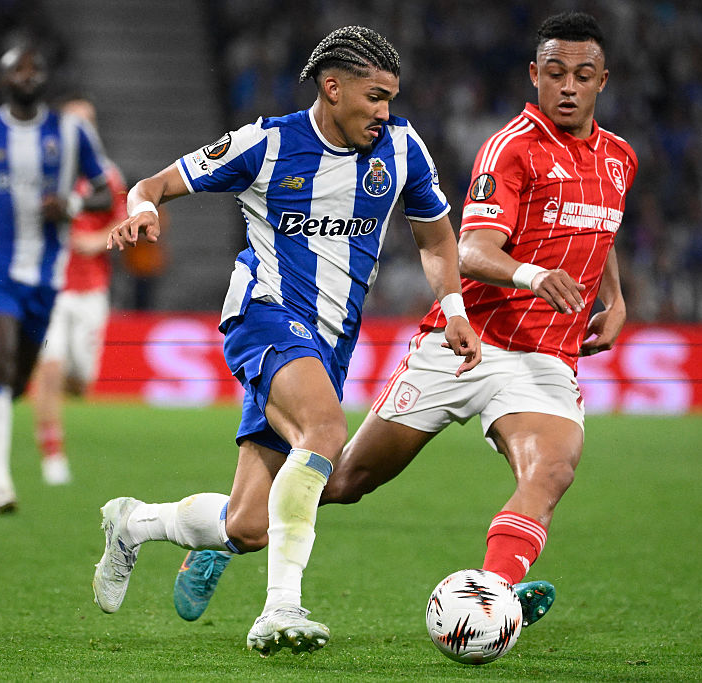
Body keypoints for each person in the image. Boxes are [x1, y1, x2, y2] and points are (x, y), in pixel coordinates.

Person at [174, 10, 636, 635]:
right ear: (535, 75)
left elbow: (597, 230)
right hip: (467, 340)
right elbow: (469, 247)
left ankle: (493, 593)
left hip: (546, 358)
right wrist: (529, 277)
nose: (569, 86)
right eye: (556, 73)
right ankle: (226, 534)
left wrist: (616, 296)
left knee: (550, 471)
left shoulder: (618, 159)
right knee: (338, 479)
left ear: (603, 80)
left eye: (583, 75)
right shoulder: (513, 148)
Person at [90, 25, 481, 657]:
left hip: (329, 342)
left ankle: (134, 523)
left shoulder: (404, 149)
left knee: (248, 526)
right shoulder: (267, 144)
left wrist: (454, 306)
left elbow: (436, 238)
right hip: (263, 314)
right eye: (375, 97)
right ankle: (280, 610)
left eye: (391, 99)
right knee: (325, 431)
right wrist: (144, 210)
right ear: (333, 87)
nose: (385, 113)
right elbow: (153, 184)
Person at [0, 44, 113, 513]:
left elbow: (101, 195)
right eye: (18, 69)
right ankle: (0, 483)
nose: (27, 76)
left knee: (19, 374)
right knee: (0, 359)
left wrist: (69, 205)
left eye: (35, 69)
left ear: (45, 78)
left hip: (47, 279)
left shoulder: (72, 134)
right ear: (3, 77)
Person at [30, 96, 128, 486]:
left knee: (80, 382)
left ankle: (48, 383)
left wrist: (97, 239)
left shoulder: (106, 175)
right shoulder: (43, 171)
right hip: (50, 287)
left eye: (87, 122)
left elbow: (123, 223)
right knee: (49, 370)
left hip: (91, 289)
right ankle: (53, 456)